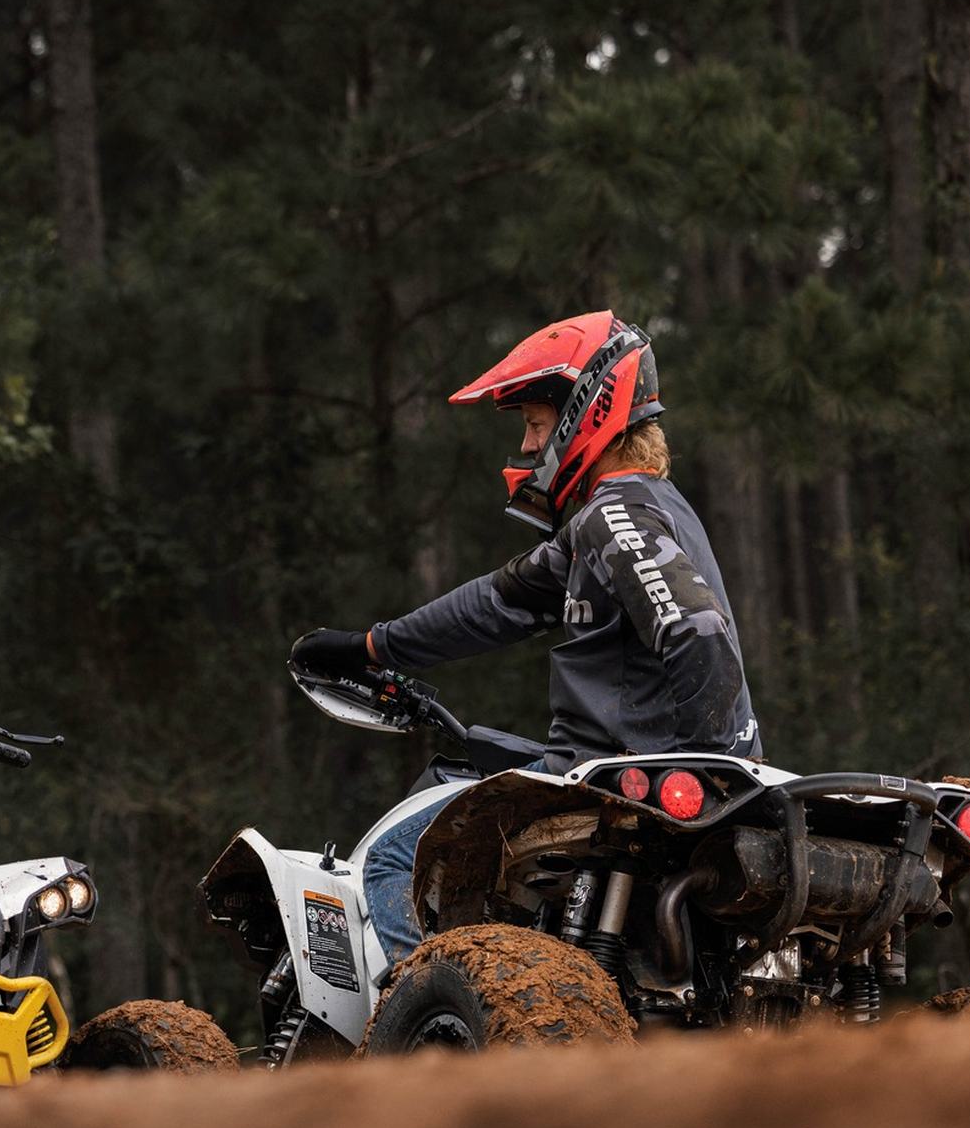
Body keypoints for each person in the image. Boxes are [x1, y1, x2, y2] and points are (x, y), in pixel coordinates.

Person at [293, 311, 761, 966]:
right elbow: (492, 604)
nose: (528, 445)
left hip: (607, 778)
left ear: (584, 418)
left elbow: (698, 632)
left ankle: (445, 1036)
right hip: (659, 775)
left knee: (399, 855)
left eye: (537, 424)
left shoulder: (615, 513)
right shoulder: (642, 513)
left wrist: (705, 770)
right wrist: (372, 647)